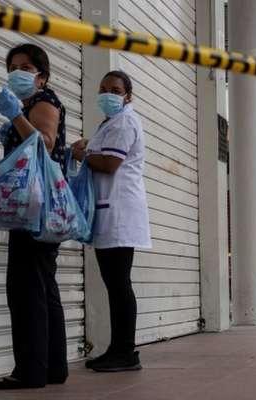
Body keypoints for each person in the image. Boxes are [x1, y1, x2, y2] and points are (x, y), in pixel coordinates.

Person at [0, 44, 68, 390]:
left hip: (33, 205)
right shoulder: (32, 104)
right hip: (41, 205)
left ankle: (31, 370)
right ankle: (52, 367)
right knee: (42, 285)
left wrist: (15, 118)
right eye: (12, 66)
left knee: (25, 289)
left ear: (42, 75)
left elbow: (46, 143)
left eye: (25, 66)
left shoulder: (43, 102)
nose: (17, 71)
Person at [72, 70, 152, 372]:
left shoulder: (125, 121)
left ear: (128, 95)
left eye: (115, 90)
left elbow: (109, 163)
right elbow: (103, 152)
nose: (108, 94)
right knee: (115, 284)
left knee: (119, 284)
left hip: (119, 212)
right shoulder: (114, 122)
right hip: (112, 211)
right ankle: (117, 349)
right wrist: (90, 146)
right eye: (103, 88)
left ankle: (126, 352)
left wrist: (82, 153)